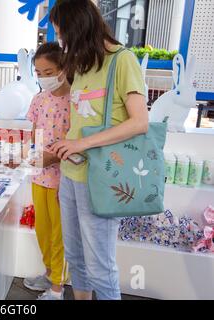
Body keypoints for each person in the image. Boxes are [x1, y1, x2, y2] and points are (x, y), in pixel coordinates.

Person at [48, 0, 149, 300]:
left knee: (100, 268)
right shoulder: (81, 64)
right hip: (70, 176)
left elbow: (140, 122)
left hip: (101, 179)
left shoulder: (122, 60)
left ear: (79, 28)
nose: (61, 41)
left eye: (62, 33)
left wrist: (81, 143)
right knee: (75, 259)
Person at [23, 42, 71, 300]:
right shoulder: (38, 99)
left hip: (64, 179)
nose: (43, 78)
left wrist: (52, 158)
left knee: (59, 234)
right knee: (42, 230)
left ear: (63, 69)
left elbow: (78, 143)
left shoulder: (75, 100)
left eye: (48, 71)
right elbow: (32, 135)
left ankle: (57, 287)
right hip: (39, 176)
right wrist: (25, 155)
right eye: (39, 73)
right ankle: (49, 273)